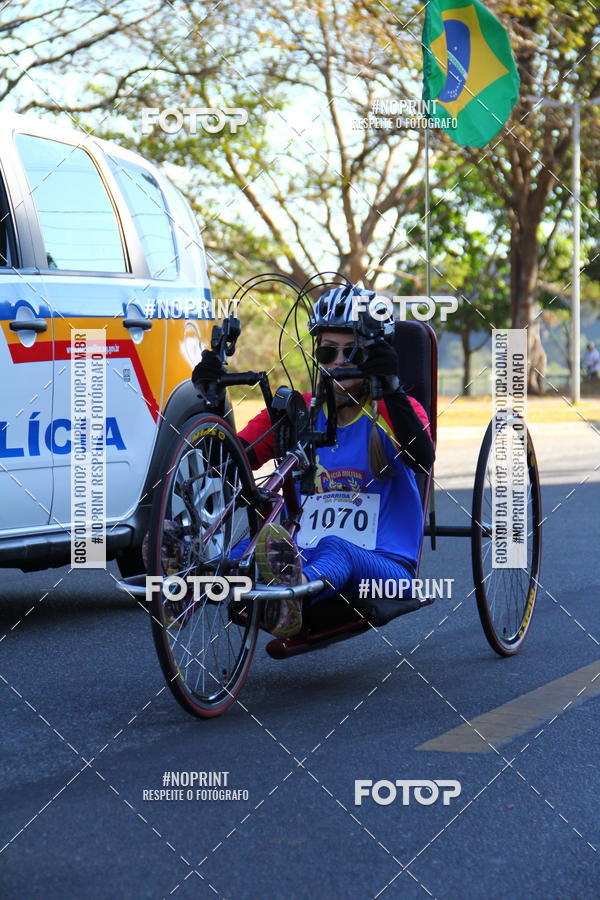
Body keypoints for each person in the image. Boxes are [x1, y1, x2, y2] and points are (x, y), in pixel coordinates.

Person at [192, 284, 434, 638]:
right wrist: (210, 401)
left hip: (382, 568)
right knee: (243, 552)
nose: (339, 362)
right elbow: (227, 464)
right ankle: (188, 586)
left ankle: (288, 599)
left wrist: (391, 387)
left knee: (335, 546)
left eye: (352, 352)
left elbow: (421, 458)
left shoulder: (396, 412)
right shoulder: (299, 411)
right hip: (298, 556)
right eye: (328, 352)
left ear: (374, 353)